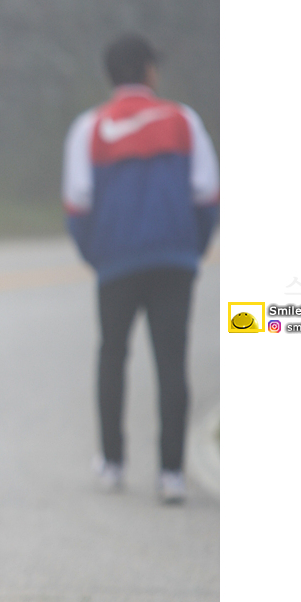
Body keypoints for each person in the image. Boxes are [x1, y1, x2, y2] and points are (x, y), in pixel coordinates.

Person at [61, 33, 218, 504]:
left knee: (113, 355)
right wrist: (192, 248)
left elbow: (77, 203)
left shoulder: (90, 128)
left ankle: (112, 462)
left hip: (117, 262)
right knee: (171, 361)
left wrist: (98, 255)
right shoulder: (183, 121)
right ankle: (171, 473)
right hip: (174, 259)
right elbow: (208, 193)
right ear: (149, 71)